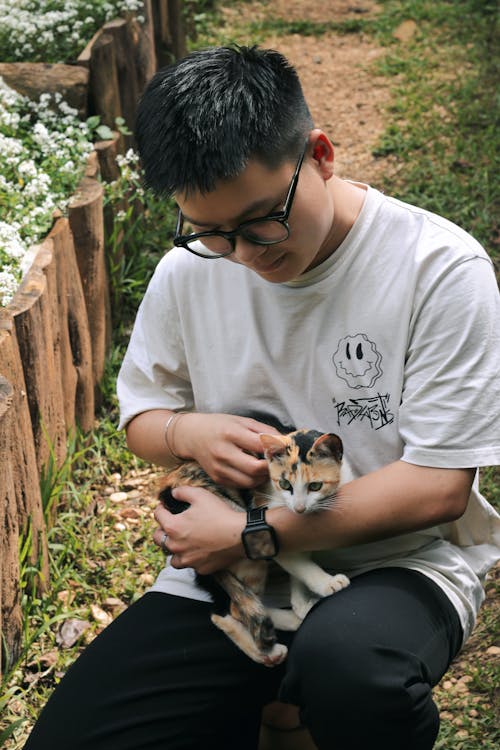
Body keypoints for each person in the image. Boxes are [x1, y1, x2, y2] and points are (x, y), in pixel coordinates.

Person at [24, 44, 500, 750]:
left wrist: (254, 532)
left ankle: (299, 701)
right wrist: (190, 435)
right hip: (236, 577)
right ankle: (271, 705)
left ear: (320, 154)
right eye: (211, 232)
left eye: (259, 222)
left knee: (352, 671)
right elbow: (143, 416)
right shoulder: (187, 272)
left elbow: (437, 489)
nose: (245, 254)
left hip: (399, 563)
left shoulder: (438, 268)